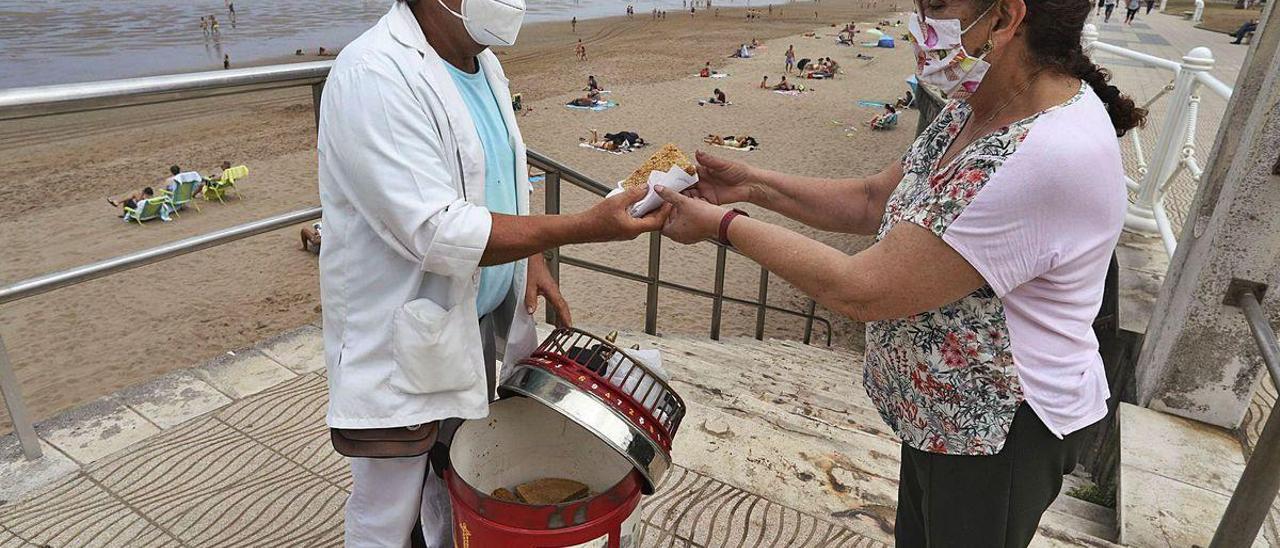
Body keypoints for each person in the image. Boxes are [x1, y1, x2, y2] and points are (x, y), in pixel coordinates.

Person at [657, 0, 1144, 543]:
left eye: (934, 6)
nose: (920, 22)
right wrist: (751, 185)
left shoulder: (1046, 156)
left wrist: (723, 225)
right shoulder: (981, 106)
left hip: (999, 429)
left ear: (1006, 18)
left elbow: (862, 290)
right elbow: (873, 199)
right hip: (942, 413)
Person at [319, 1, 669, 546]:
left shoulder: (484, 65)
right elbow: (436, 230)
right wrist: (582, 226)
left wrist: (531, 257)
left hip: (474, 326)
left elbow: (502, 172)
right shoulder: (374, 75)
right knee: (387, 507)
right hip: (402, 339)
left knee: (450, 482)